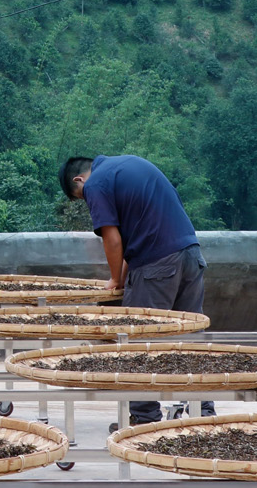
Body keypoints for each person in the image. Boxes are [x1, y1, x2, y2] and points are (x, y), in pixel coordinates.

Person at [58, 154, 212, 424]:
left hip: (157, 266)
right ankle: (203, 411)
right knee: (191, 342)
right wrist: (122, 275)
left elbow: (113, 240)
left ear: (79, 180)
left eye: (81, 197)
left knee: (138, 343)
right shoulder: (130, 165)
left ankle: (144, 418)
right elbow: (136, 239)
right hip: (191, 255)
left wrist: (115, 279)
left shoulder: (96, 184)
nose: (88, 202)